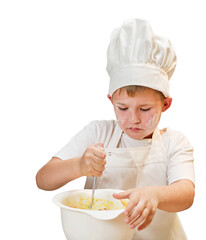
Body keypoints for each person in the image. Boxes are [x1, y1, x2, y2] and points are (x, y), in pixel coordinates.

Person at [36, 19, 195, 239]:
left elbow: (186, 194)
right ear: (111, 101)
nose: (134, 119)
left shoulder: (174, 143)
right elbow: (43, 179)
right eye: (122, 108)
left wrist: (156, 194)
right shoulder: (98, 133)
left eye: (145, 108)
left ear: (165, 104)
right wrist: (79, 165)